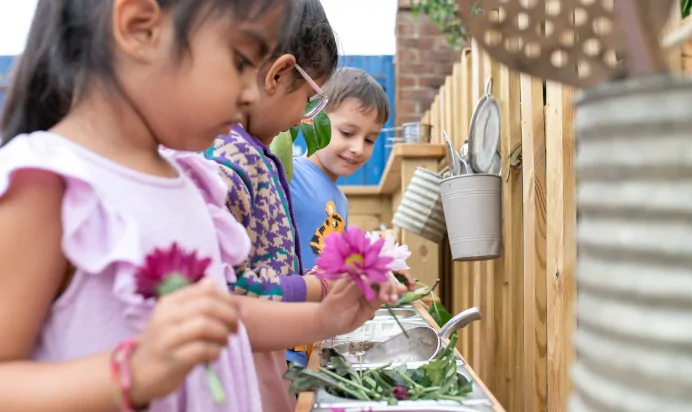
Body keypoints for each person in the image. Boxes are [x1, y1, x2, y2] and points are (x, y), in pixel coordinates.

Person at [0, 1, 395, 411]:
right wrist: (130, 371)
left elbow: (220, 314)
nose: (250, 92)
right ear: (141, 29)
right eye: (242, 61)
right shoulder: (47, 185)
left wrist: (325, 319)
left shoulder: (188, 180)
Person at [205, 1, 398, 410]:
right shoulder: (231, 160)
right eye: (312, 101)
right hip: (239, 377)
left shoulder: (257, 156)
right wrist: (323, 290)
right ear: (278, 74)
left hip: (272, 358)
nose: (302, 121)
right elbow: (230, 292)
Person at [291, 67, 390, 272]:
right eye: (347, 133)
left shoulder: (341, 201)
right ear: (312, 119)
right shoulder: (290, 175)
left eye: (370, 140)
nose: (358, 149)